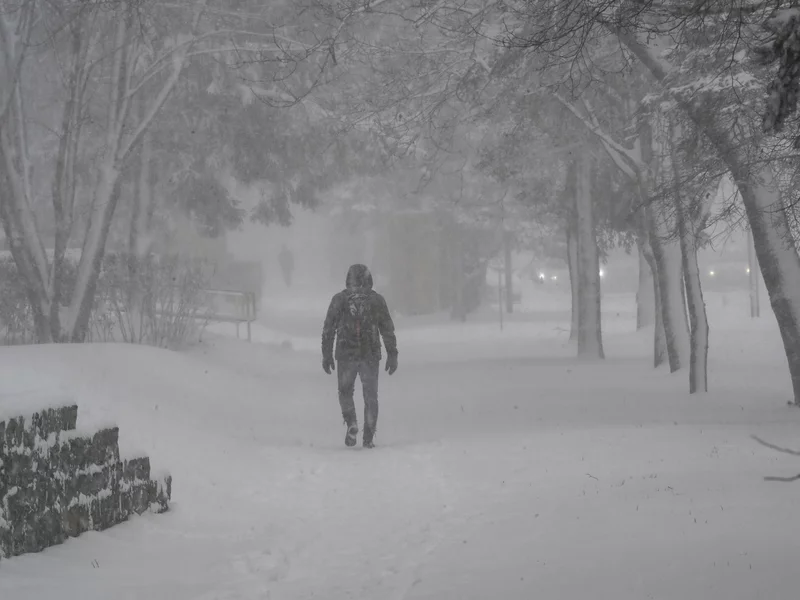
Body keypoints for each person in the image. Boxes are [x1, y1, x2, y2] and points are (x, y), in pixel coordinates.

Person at [321, 264, 398, 448]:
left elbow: (328, 329)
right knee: (370, 395)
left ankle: (352, 422)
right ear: (369, 280)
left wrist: (327, 354)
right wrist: (392, 353)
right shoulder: (377, 300)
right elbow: (387, 329)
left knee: (346, 392)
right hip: (370, 354)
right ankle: (368, 437)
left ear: (348, 280)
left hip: (346, 353)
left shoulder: (339, 300)